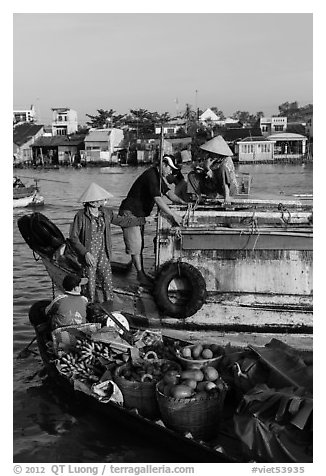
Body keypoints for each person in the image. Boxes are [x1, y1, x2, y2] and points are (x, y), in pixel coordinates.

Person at [69, 182, 146, 302]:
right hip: (89, 257)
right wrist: (85, 253)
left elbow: (123, 221)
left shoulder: (106, 213)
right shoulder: (81, 216)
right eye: (100, 199)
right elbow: (73, 238)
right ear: (92, 202)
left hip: (103, 255)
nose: (103, 201)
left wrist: (142, 220)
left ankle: (109, 307)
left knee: (107, 284)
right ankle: (90, 307)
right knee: (89, 287)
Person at [118, 155, 187, 287]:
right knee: (136, 246)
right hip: (130, 213)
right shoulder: (151, 176)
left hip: (139, 214)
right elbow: (158, 199)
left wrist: (182, 202)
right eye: (170, 169)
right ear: (163, 164)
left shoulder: (158, 178)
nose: (170, 172)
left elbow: (169, 194)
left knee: (140, 245)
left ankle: (141, 273)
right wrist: (173, 215)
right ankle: (140, 275)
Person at [188, 136, 238, 203]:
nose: (210, 154)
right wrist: (203, 169)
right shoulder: (210, 159)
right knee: (192, 175)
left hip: (227, 187)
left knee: (223, 169)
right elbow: (204, 172)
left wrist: (208, 169)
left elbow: (221, 177)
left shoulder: (226, 160)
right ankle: (198, 197)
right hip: (214, 186)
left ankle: (227, 196)